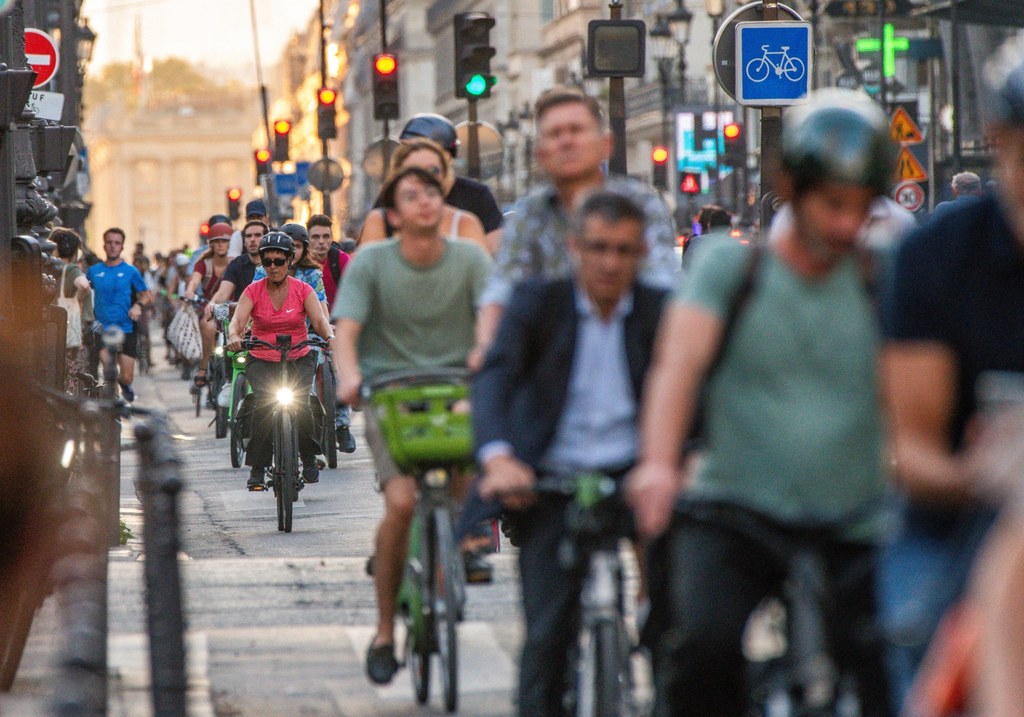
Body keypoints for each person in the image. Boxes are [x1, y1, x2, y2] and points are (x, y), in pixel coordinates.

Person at [626, 89, 895, 717]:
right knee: (703, 647)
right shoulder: (729, 269)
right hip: (737, 508)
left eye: (862, 208)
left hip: (855, 515)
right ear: (791, 190)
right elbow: (678, 368)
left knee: (892, 660)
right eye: (831, 204)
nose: (846, 225)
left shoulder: (885, 277)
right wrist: (660, 465)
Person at [472, 190, 668, 717]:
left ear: (641, 253)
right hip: (550, 477)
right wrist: (498, 456)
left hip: (637, 473)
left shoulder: (660, 311)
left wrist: (685, 462)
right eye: (598, 247)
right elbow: (496, 378)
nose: (609, 263)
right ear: (574, 247)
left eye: (624, 251)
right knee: (546, 637)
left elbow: (698, 395)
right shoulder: (538, 303)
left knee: (687, 631)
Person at [877, 35, 1024, 712]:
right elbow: (912, 449)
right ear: (1000, 142)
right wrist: (980, 474)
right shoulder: (938, 258)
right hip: (955, 515)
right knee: (924, 630)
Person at [332, 166, 492, 686]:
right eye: (410, 196)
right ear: (393, 215)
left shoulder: (469, 257)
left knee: (466, 477)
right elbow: (347, 330)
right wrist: (350, 377)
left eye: (431, 192)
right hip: (391, 394)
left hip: (455, 390)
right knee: (401, 501)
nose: (424, 201)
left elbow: (492, 319)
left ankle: (460, 549)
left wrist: (489, 359)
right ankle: (384, 631)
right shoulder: (373, 262)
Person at [473, 86, 679, 370]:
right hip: (549, 360)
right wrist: (488, 353)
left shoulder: (639, 204)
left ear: (606, 144)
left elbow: (661, 282)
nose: (566, 141)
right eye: (555, 134)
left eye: (576, 130)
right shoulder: (531, 212)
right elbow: (503, 289)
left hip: (629, 351)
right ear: (541, 154)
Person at [226, 232, 335, 490]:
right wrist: (234, 336)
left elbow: (319, 321)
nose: (273, 267)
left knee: (303, 404)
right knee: (263, 405)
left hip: (298, 355)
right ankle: (258, 467)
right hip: (262, 358)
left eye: (278, 261)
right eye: (267, 262)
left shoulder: (303, 290)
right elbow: (238, 322)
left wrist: (329, 337)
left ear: (289, 261)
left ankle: (308, 457)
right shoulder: (253, 290)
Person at [373, 112, 504, 252]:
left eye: (431, 168)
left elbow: (496, 253)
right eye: (405, 153)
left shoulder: (476, 196)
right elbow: (367, 257)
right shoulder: (389, 199)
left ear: (445, 157)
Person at [359, 138, 490, 253]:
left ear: (446, 175)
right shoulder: (379, 221)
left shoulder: (465, 223)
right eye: (414, 171)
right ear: (398, 178)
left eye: (433, 170)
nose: (425, 178)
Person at [306, 214, 356, 454]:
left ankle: (342, 425)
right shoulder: (299, 263)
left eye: (326, 237)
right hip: (306, 327)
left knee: (339, 368)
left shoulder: (340, 260)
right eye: (315, 237)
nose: (321, 242)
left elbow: (355, 291)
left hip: (337, 322)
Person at [87, 227, 153, 402]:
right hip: (102, 328)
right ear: (104, 245)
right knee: (109, 370)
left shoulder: (131, 271)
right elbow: (84, 295)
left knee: (126, 377)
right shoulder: (93, 271)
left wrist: (138, 306)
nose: (113, 246)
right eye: (109, 242)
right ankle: (112, 411)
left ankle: (123, 386)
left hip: (126, 327)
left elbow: (147, 295)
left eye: (117, 243)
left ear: (122, 247)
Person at [184, 221, 232, 389]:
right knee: (207, 326)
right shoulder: (203, 263)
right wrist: (190, 291)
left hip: (232, 310)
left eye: (225, 241)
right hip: (208, 309)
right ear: (211, 243)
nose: (221, 244)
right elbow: (194, 280)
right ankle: (203, 368)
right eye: (217, 241)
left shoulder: (235, 262)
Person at [253, 223, 329, 325]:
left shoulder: (312, 274)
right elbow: (251, 303)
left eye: (298, 246)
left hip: (305, 335)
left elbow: (322, 312)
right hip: (267, 329)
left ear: (304, 250)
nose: (293, 251)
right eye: (290, 246)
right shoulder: (263, 270)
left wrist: (327, 332)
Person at [51, 228, 91, 394]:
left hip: (50, 327)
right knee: (71, 374)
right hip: (68, 332)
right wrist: (79, 298)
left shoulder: (50, 267)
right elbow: (84, 285)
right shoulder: (71, 269)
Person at [205, 219, 267, 319]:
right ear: (244, 242)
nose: (252, 239)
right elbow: (223, 292)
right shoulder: (237, 264)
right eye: (248, 236)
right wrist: (213, 304)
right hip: (240, 316)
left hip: (268, 317)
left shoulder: (274, 263)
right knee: (207, 325)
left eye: (258, 235)